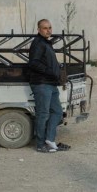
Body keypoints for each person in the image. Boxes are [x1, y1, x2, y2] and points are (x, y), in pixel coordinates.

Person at [27, 18, 69, 153]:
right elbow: (34, 63)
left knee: (57, 112)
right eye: (45, 28)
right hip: (41, 83)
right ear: (39, 30)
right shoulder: (38, 43)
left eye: (50, 28)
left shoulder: (47, 43)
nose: (48, 30)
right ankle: (40, 144)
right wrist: (50, 71)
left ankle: (49, 140)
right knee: (43, 114)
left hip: (51, 83)